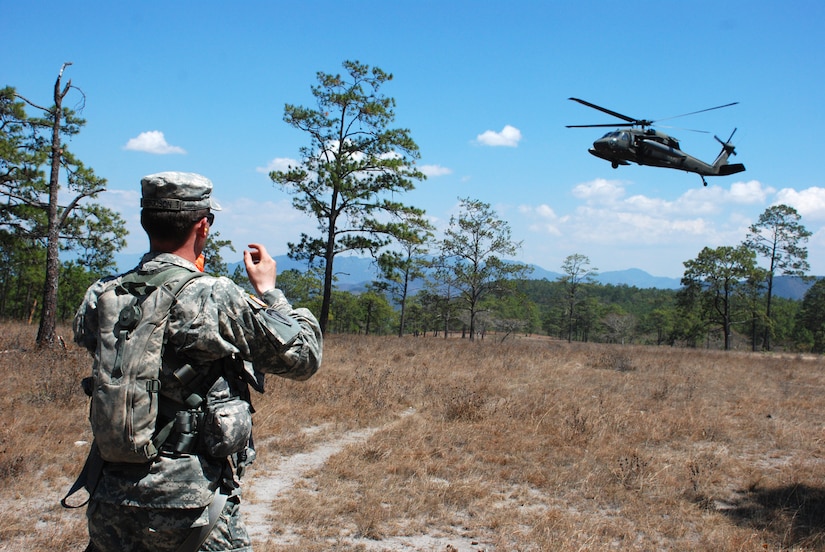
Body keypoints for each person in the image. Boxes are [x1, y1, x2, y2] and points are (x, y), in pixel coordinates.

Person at [72, 171, 323, 551]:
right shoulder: (213, 296)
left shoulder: (103, 293)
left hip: (109, 496)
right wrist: (271, 293)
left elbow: (95, 338)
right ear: (203, 225)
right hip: (190, 505)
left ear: (145, 222)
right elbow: (303, 356)